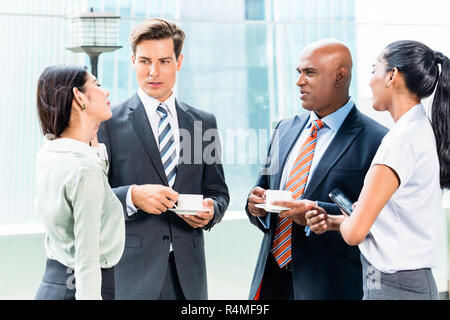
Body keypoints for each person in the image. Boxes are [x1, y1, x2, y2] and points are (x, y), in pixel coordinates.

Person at [306, 40, 450, 300]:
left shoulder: (399, 142)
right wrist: (336, 222)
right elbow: (398, 223)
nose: (370, 81)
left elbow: (354, 234)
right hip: (407, 282)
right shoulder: (419, 130)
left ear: (392, 76)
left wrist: (351, 219)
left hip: (395, 287)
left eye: (374, 70)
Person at [97, 18, 229, 300]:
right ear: (132, 61)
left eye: (164, 61)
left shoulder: (202, 123)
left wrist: (210, 211)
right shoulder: (106, 123)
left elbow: (218, 192)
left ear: (179, 62)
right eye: (144, 61)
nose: (153, 72)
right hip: (130, 275)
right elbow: (92, 197)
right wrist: (132, 196)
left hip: (188, 278)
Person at [245, 39, 388, 300]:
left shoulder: (377, 140)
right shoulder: (284, 129)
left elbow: (379, 221)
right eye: (298, 72)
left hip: (331, 286)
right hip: (271, 282)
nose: (299, 81)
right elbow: (262, 190)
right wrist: (255, 205)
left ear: (339, 77)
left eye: (309, 73)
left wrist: (317, 212)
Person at [34, 65, 125, 300]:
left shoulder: (50, 153)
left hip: (53, 283)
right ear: (79, 96)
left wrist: (90, 135)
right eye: (97, 85)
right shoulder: (85, 171)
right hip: (82, 289)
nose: (106, 93)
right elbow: (87, 260)